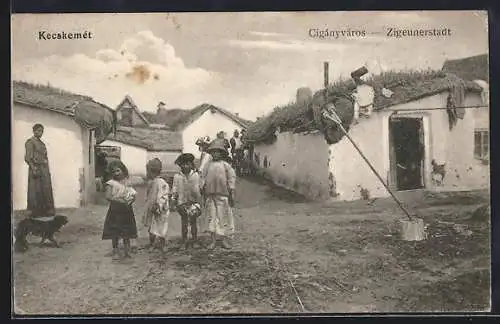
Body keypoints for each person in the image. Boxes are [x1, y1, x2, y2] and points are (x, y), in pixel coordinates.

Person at [200, 141, 237, 250]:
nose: (215, 154)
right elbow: (202, 177)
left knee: (223, 217)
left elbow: (231, 178)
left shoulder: (226, 166)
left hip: (223, 195)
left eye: (218, 152)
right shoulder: (208, 165)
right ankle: (213, 240)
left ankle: (224, 240)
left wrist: (231, 192)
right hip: (210, 195)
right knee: (212, 217)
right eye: (213, 152)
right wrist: (202, 187)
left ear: (222, 153)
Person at [102, 160, 138, 259]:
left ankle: (127, 251)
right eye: (114, 172)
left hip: (127, 209)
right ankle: (115, 250)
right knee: (115, 231)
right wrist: (119, 200)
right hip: (115, 210)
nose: (116, 173)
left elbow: (132, 193)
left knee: (127, 231)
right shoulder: (111, 183)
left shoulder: (127, 182)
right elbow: (108, 197)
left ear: (123, 170)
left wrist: (132, 199)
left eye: (118, 171)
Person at [171, 153, 202, 249]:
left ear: (191, 164)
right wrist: (173, 202)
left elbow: (199, 189)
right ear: (180, 165)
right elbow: (174, 190)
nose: (185, 166)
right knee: (184, 223)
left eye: (187, 164)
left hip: (193, 202)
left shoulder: (196, 175)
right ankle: (184, 241)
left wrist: (200, 202)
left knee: (193, 222)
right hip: (182, 203)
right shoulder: (177, 176)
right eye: (183, 164)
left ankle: (195, 240)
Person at [24, 123, 55, 218]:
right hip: (36, 168)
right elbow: (28, 157)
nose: (40, 133)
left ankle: (45, 210)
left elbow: (44, 156)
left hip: (44, 170)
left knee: (45, 189)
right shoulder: (30, 142)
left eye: (41, 131)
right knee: (35, 190)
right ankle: (35, 212)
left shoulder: (42, 143)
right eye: (38, 131)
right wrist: (33, 168)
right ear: (34, 131)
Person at [143, 158, 170, 253]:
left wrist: (158, 205)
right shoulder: (152, 182)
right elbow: (149, 195)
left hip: (159, 208)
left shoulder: (161, 182)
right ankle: (153, 243)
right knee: (153, 227)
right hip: (153, 208)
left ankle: (162, 244)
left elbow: (163, 195)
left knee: (161, 227)